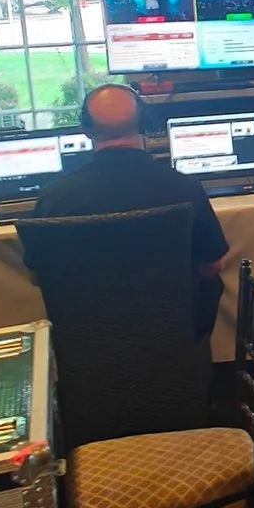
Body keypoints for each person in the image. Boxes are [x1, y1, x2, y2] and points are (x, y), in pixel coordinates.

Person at [30, 84, 233, 396]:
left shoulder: (53, 198)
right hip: (174, 331)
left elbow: (38, 276)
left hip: (87, 333)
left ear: (85, 130)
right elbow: (212, 264)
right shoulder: (184, 189)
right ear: (145, 124)